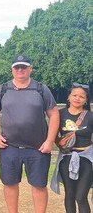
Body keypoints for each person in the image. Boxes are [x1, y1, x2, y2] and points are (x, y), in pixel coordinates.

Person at [0, 54, 59, 213]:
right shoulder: (3, 89)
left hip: (37, 147)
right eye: (17, 67)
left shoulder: (41, 89)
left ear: (30, 69)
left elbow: (54, 114)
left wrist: (50, 141)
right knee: (10, 184)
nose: (20, 70)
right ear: (12, 69)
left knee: (39, 185)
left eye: (24, 67)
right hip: (9, 146)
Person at [50, 83, 93, 213]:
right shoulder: (60, 114)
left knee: (81, 197)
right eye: (74, 95)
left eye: (81, 96)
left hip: (86, 158)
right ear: (69, 97)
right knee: (69, 195)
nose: (77, 98)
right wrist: (60, 144)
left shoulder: (90, 116)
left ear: (86, 100)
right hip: (66, 158)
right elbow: (53, 133)